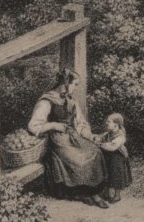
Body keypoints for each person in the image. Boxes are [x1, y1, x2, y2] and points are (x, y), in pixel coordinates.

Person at [27, 68, 107, 206]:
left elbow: (80, 123)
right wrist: (52, 125)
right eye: (74, 84)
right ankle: (86, 193)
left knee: (94, 151)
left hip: (73, 136)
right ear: (65, 83)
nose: (75, 88)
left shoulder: (71, 100)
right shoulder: (47, 101)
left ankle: (90, 192)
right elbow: (33, 125)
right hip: (58, 140)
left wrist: (90, 136)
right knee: (78, 159)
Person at [96, 112, 131, 205]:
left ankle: (117, 195)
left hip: (117, 158)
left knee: (116, 175)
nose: (106, 123)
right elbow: (100, 137)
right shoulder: (108, 133)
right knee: (106, 173)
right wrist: (97, 139)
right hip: (108, 157)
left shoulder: (120, 136)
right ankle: (106, 193)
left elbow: (112, 146)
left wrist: (100, 144)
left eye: (109, 122)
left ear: (116, 125)